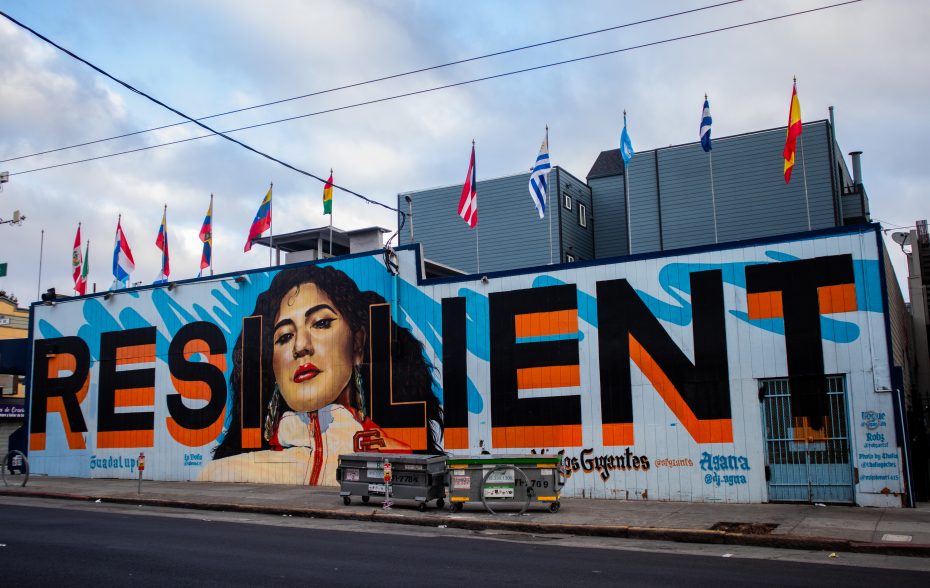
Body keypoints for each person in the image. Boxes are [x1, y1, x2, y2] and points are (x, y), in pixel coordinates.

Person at [198, 265, 442, 485]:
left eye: (321, 323)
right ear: (271, 365)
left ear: (358, 343)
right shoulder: (224, 473)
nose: (301, 346)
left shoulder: (401, 461)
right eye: (284, 336)